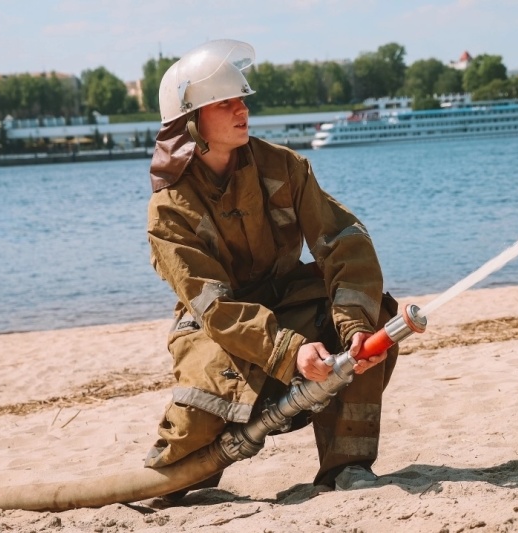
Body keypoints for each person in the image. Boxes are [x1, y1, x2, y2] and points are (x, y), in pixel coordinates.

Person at [145, 39, 399, 496]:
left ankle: (347, 468)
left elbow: (344, 243)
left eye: (240, 99)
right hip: (213, 329)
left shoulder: (283, 167)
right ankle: (172, 480)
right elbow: (215, 308)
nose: (241, 109)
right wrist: (290, 352)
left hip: (286, 303)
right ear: (190, 120)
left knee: (374, 315)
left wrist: (355, 327)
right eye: (224, 102)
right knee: (194, 436)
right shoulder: (169, 210)